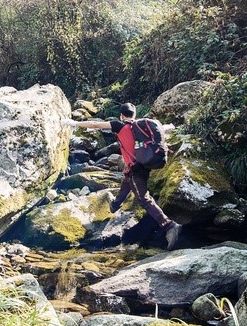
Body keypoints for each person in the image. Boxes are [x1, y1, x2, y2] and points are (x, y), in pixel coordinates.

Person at [62, 103, 182, 250]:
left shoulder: (119, 125)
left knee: (143, 199)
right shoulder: (139, 127)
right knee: (126, 180)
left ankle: (169, 225)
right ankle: (114, 205)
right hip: (143, 165)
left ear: (121, 115)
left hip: (135, 170)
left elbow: (95, 124)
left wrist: (74, 123)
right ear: (134, 114)